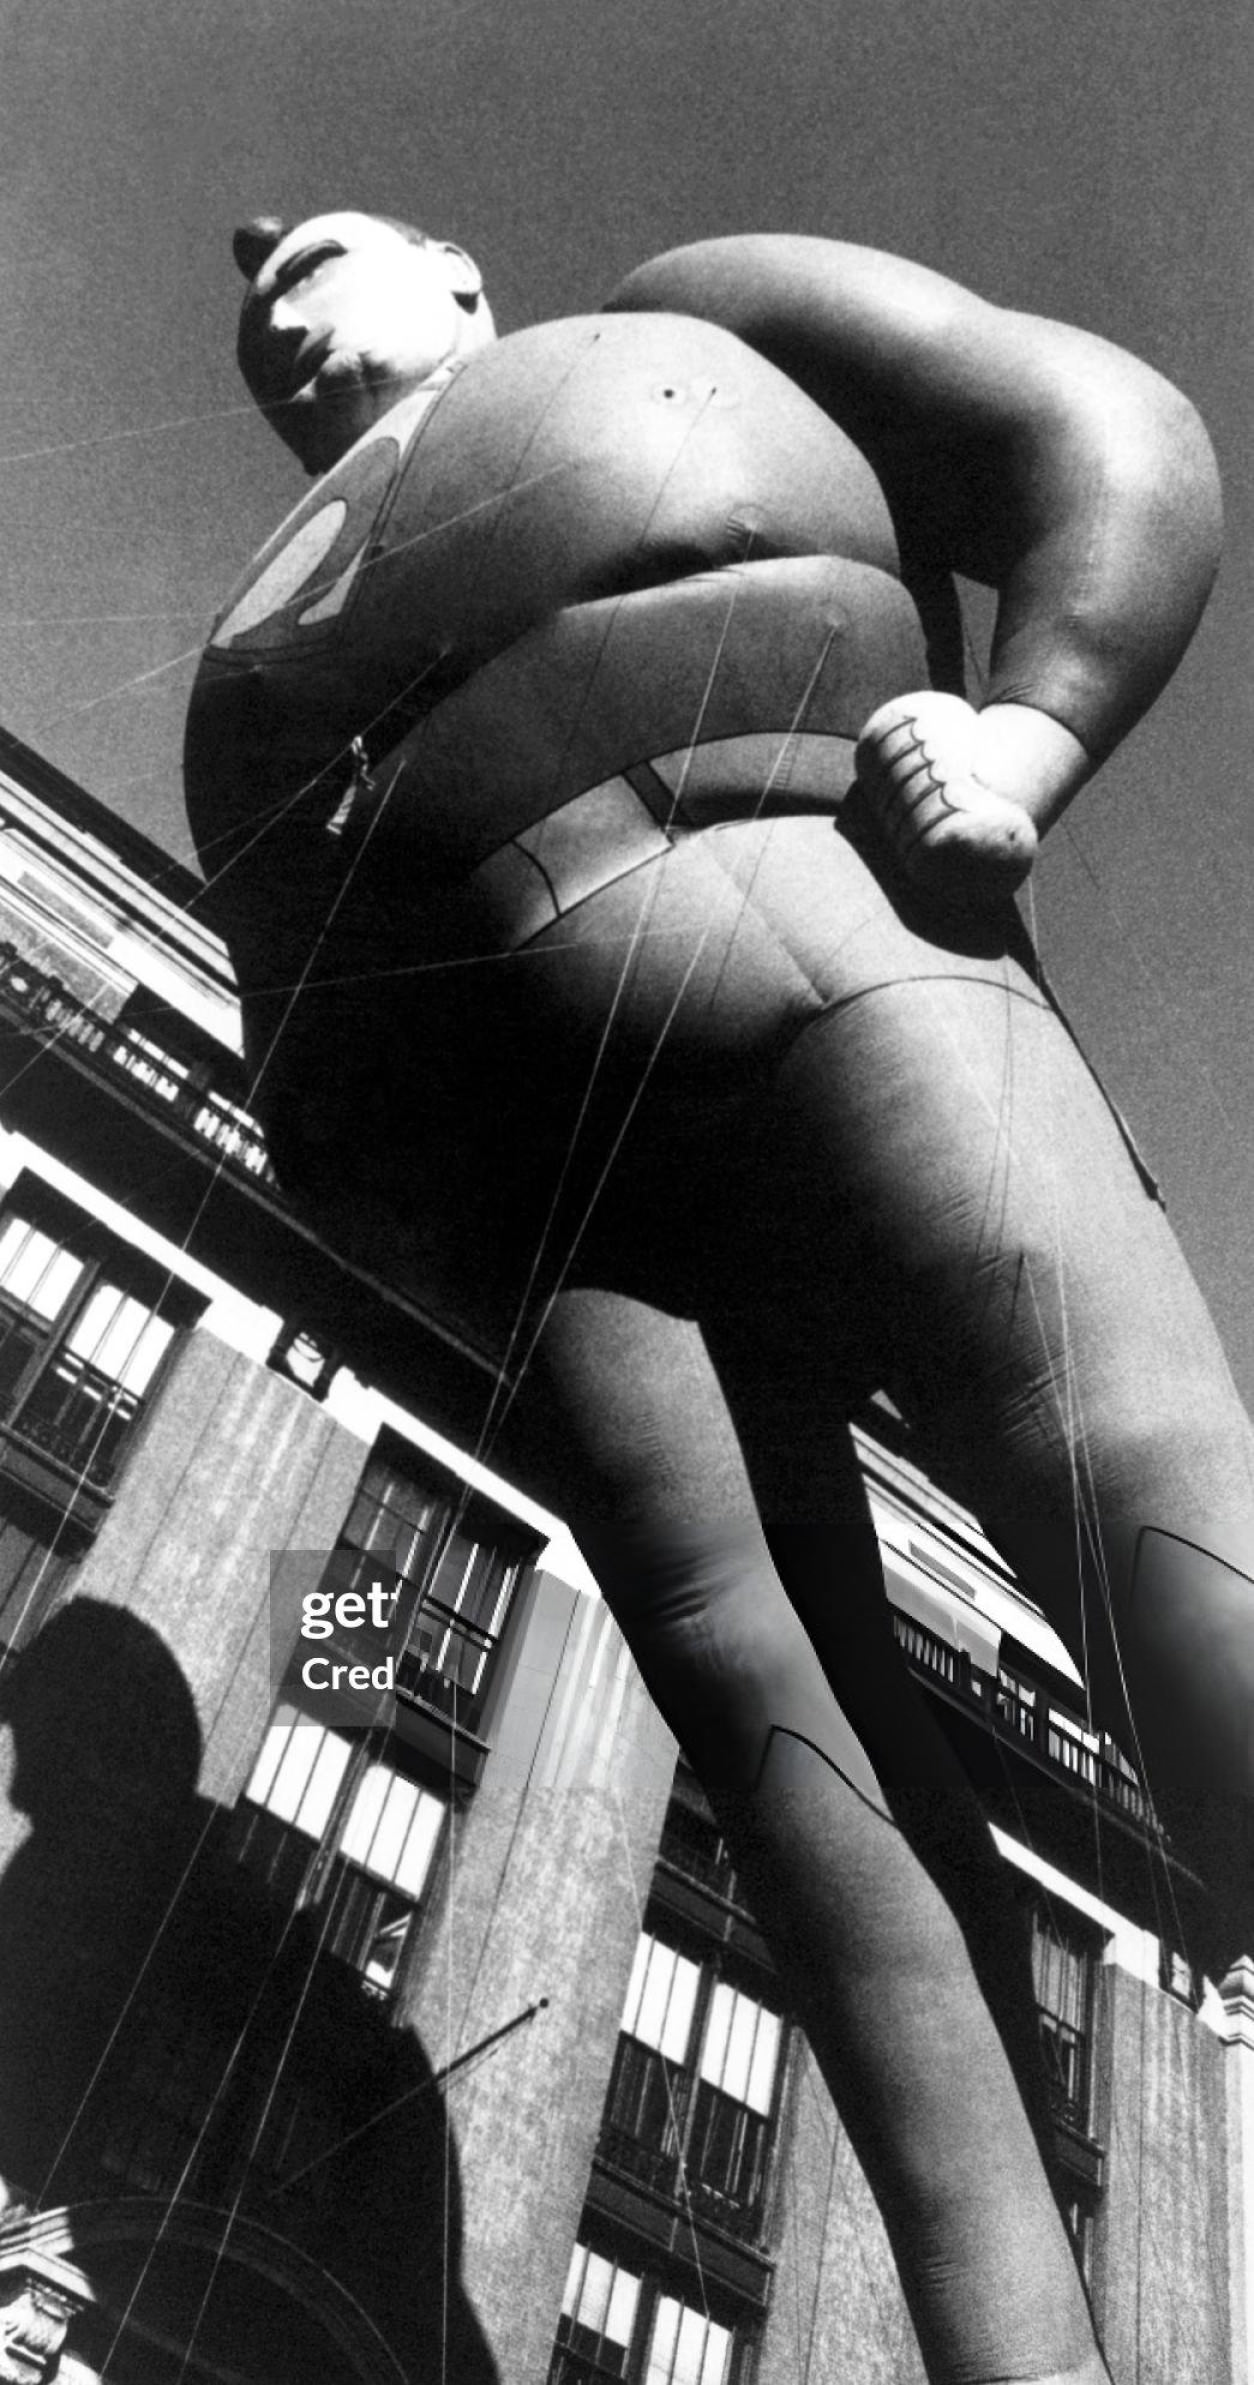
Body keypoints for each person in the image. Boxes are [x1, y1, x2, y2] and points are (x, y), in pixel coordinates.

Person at [185, 209, 1254, 2385]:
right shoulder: (268, 625)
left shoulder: (687, 308)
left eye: (318, 264)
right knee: (799, 1776)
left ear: (460, 274)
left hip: (829, 914)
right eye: (253, 323)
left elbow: (1097, 424)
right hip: (555, 1223)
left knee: (1144, 1503)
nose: (273, 298)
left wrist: (1033, 733)